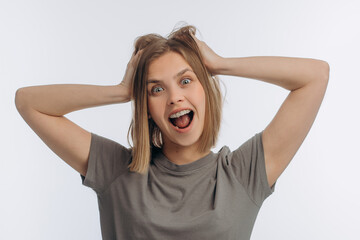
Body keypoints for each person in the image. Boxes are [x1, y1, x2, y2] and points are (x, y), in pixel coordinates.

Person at [15, 25, 330, 239]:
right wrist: (123, 90)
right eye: (156, 89)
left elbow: (315, 76)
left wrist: (219, 64)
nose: (175, 97)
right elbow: (29, 102)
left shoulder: (243, 173)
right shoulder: (117, 171)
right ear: (147, 108)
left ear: (205, 89)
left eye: (186, 80)